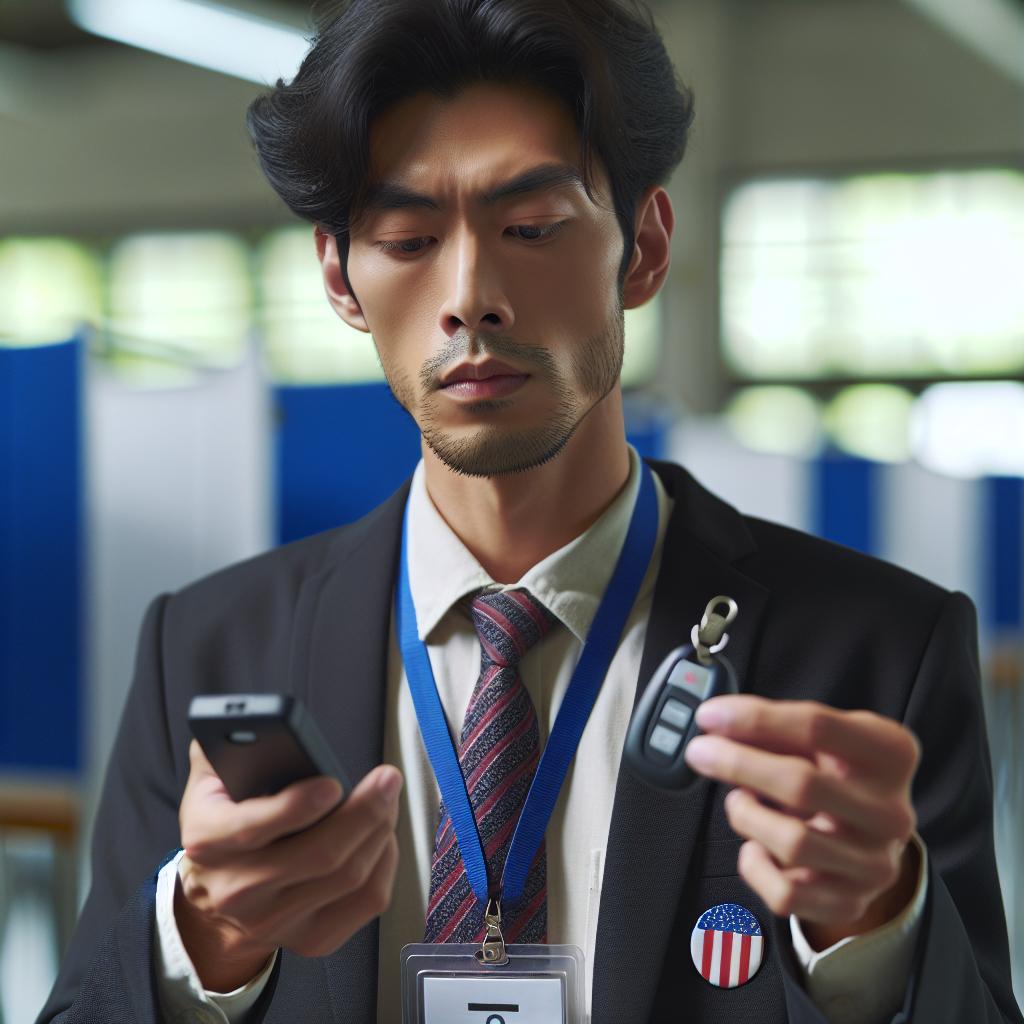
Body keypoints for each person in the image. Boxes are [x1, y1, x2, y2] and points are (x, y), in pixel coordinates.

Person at [38, 0, 1021, 1021]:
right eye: (409, 237)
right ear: (339, 279)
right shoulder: (208, 649)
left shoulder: (873, 652)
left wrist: (872, 928)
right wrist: (201, 943)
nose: (471, 294)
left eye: (532, 228)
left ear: (640, 248)